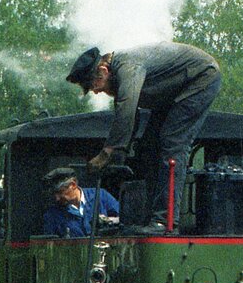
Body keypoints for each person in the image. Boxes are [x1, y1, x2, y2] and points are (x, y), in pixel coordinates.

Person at [66, 42, 220, 229]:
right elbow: (131, 119)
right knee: (147, 146)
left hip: (200, 77)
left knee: (173, 143)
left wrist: (106, 153)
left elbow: (126, 109)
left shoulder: (127, 67)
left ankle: (165, 221)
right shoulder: (121, 75)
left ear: (104, 70)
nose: (97, 91)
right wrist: (119, 153)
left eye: (94, 85)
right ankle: (148, 217)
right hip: (173, 90)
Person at [42, 168, 121, 238]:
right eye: (54, 194)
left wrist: (108, 221)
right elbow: (49, 246)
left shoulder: (100, 195)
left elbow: (125, 220)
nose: (57, 198)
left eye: (60, 192)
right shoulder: (52, 215)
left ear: (73, 185)